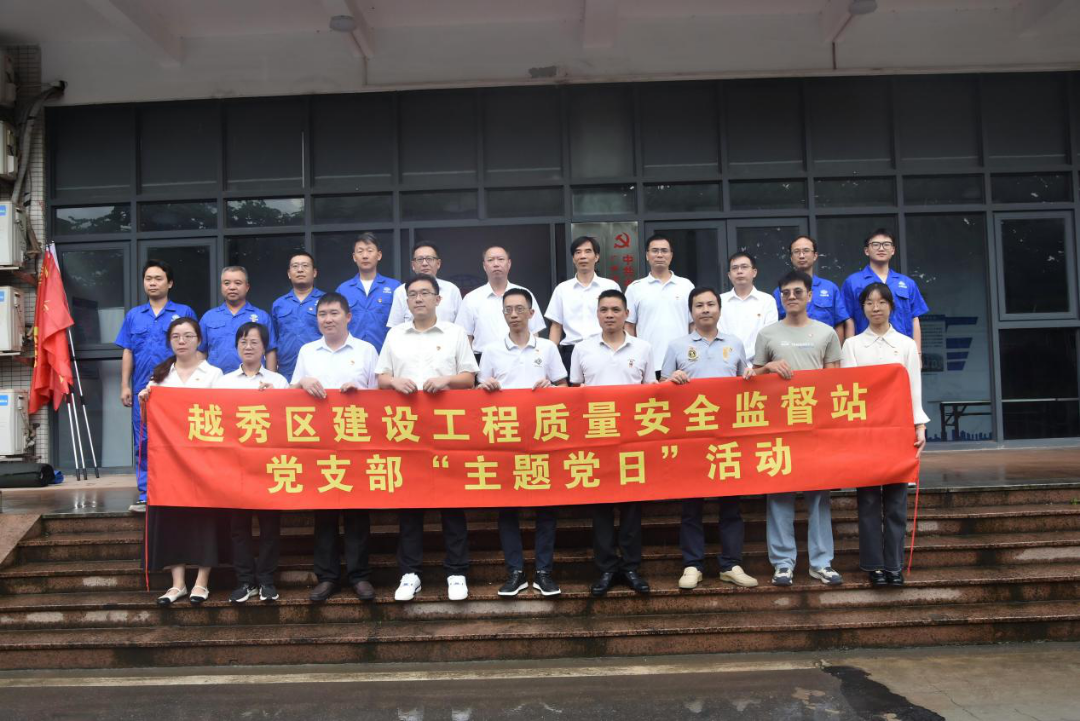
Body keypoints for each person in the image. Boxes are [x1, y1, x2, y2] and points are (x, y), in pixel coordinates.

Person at [376, 274, 478, 602]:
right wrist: (395, 382)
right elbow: (381, 377)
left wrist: (446, 380)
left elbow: (469, 377)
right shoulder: (395, 335)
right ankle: (410, 573)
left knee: (452, 501)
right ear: (406, 301)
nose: (418, 299)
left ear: (438, 299)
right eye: (413, 294)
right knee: (410, 502)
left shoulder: (454, 333)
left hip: (447, 429)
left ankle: (457, 572)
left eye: (425, 293)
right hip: (406, 430)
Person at [747, 270, 843, 588]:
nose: (791, 297)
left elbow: (834, 382)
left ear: (809, 295)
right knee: (779, 496)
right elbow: (752, 381)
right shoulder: (767, 334)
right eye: (785, 293)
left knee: (819, 497)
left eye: (797, 292)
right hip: (778, 428)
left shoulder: (826, 333)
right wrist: (767, 367)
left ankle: (821, 562)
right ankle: (782, 564)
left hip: (815, 428)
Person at [661, 287, 758, 590]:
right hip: (691, 438)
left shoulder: (735, 343)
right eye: (699, 305)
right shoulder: (677, 345)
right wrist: (671, 380)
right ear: (691, 312)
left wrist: (750, 376)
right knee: (691, 506)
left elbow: (744, 384)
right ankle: (692, 564)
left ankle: (731, 564)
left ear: (719, 309)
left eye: (711, 304)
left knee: (731, 504)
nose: (705, 309)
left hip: (727, 437)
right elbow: (660, 388)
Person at [479, 288, 569, 597]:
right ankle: (515, 572)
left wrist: (552, 389)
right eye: (508, 309)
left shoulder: (548, 347)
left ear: (532, 313)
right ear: (503, 314)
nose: (514, 314)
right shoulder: (491, 350)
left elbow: (565, 387)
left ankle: (544, 571)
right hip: (506, 439)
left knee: (546, 507)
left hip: (543, 437)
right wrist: (485, 387)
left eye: (520, 309)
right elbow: (478, 394)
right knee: (507, 508)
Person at [291, 292, 380, 603]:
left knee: (357, 513)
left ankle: (359, 576)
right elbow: (290, 393)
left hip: (356, 442)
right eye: (322, 314)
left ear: (348, 317)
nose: (327, 319)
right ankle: (327, 577)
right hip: (318, 444)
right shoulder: (307, 351)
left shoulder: (366, 350)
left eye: (333, 313)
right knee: (324, 514)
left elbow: (381, 398)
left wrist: (361, 392)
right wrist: (303, 383)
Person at [842, 282, 929, 587]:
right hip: (865, 434)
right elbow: (851, 392)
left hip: (898, 432)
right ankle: (874, 566)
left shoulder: (906, 345)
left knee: (895, 502)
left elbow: (914, 388)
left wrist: (919, 426)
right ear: (862, 308)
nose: (875, 308)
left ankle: (893, 565)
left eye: (881, 302)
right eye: (869, 302)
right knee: (867, 502)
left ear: (891, 306)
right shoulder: (852, 345)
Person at [570, 288, 654, 597]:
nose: (609, 315)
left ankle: (631, 567)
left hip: (632, 440)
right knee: (601, 508)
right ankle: (606, 567)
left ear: (626, 314)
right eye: (604, 309)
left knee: (632, 507)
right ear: (597, 314)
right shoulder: (582, 349)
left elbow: (650, 391)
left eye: (615, 310)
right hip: (597, 439)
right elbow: (575, 393)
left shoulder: (643, 347)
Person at [139, 317, 225, 606]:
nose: (182, 341)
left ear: (199, 339)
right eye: (176, 336)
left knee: (203, 520)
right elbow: (150, 419)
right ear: (169, 341)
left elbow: (223, 415)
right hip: (170, 462)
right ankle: (177, 584)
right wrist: (144, 400)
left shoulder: (214, 374)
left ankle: (202, 582)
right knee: (173, 520)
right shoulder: (160, 376)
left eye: (188, 336)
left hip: (204, 461)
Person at [212, 322, 289, 603]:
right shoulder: (224, 382)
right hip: (236, 466)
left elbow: (288, 420)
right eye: (243, 342)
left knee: (270, 526)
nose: (248, 347)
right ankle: (245, 581)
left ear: (264, 348)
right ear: (236, 347)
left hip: (269, 466)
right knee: (238, 527)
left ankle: (266, 579)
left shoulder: (278, 381)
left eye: (254, 342)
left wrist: (274, 397)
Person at [116, 259, 197, 512]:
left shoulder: (184, 312)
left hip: (177, 388)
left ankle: (180, 489)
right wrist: (124, 385)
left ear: (169, 283)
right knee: (143, 440)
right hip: (143, 390)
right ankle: (146, 492)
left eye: (158, 278)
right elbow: (128, 351)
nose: (152, 283)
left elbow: (196, 349)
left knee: (180, 439)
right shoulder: (134, 316)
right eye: (148, 278)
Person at [840, 229, 929, 352]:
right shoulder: (853, 282)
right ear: (866, 250)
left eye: (886, 244)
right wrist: (851, 352)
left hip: (901, 349)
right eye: (875, 244)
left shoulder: (907, 283)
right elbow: (848, 320)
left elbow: (914, 319)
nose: (881, 248)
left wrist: (917, 353)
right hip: (865, 350)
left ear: (893, 250)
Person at [545, 235, 620, 373]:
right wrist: (550, 357)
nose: (583, 256)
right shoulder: (562, 289)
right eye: (578, 252)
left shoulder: (610, 286)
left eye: (588, 251)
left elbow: (620, 322)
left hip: (604, 349)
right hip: (571, 352)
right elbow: (556, 326)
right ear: (573, 259)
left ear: (596, 257)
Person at [456, 246, 545, 355]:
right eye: (490, 260)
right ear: (484, 266)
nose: (496, 264)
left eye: (501, 259)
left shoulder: (524, 294)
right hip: (482, 359)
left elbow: (534, 332)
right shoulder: (471, 298)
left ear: (509, 263)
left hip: (520, 356)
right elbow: (466, 336)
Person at [625, 233, 694, 373]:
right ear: (647, 255)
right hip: (647, 363)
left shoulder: (686, 285)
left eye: (664, 251)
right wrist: (633, 356)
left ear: (671, 255)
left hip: (682, 363)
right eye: (655, 251)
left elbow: (693, 325)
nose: (659, 255)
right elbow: (629, 326)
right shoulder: (635, 288)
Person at [199, 266, 277, 374]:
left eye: (238, 283)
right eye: (226, 283)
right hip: (216, 379)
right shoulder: (209, 317)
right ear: (221, 286)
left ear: (247, 287)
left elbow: (270, 351)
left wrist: (271, 379)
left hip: (253, 379)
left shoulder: (262, 317)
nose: (232, 287)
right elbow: (200, 351)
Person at [772, 236, 848, 343]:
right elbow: (775, 325)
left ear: (815, 255)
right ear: (791, 258)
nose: (801, 255)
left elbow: (839, 323)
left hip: (824, 348)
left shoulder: (830, 288)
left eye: (806, 251)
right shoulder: (780, 291)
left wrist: (836, 351)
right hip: (791, 347)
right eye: (796, 252)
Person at [336, 231, 400, 352]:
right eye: (360, 251)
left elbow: (401, 324)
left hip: (385, 354)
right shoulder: (343, 289)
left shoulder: (394, 287)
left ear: (379, 255)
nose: (365, 256)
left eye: (370, 251)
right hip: (351, 354)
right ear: (354, 257)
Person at [270, 251, 325, 383]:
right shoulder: (279, 304)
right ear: (289, 274)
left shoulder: (326, 301)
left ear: (314, 272)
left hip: (319, 369)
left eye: (305, 266)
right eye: (295, 266)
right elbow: (274, 340)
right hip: (286, 370)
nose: (300, 270)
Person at [718, 251, 779, 359]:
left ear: (754, 272)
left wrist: (744, 359)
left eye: (744, 267)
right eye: (735, 268)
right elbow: (717, 334)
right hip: (726, 362)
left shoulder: (767, 301)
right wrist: (733, 359)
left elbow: (769, 336)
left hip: (759, 364)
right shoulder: (719, 301)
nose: (739, 271)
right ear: (729, 275)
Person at [387, 242, 462, 327]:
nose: (424, 263)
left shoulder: (452, 290)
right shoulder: (401, 291)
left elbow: (461, 326)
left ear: (438, 263)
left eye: (429, 259)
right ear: (413, 265)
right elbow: (395, 327)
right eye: (420, 259)